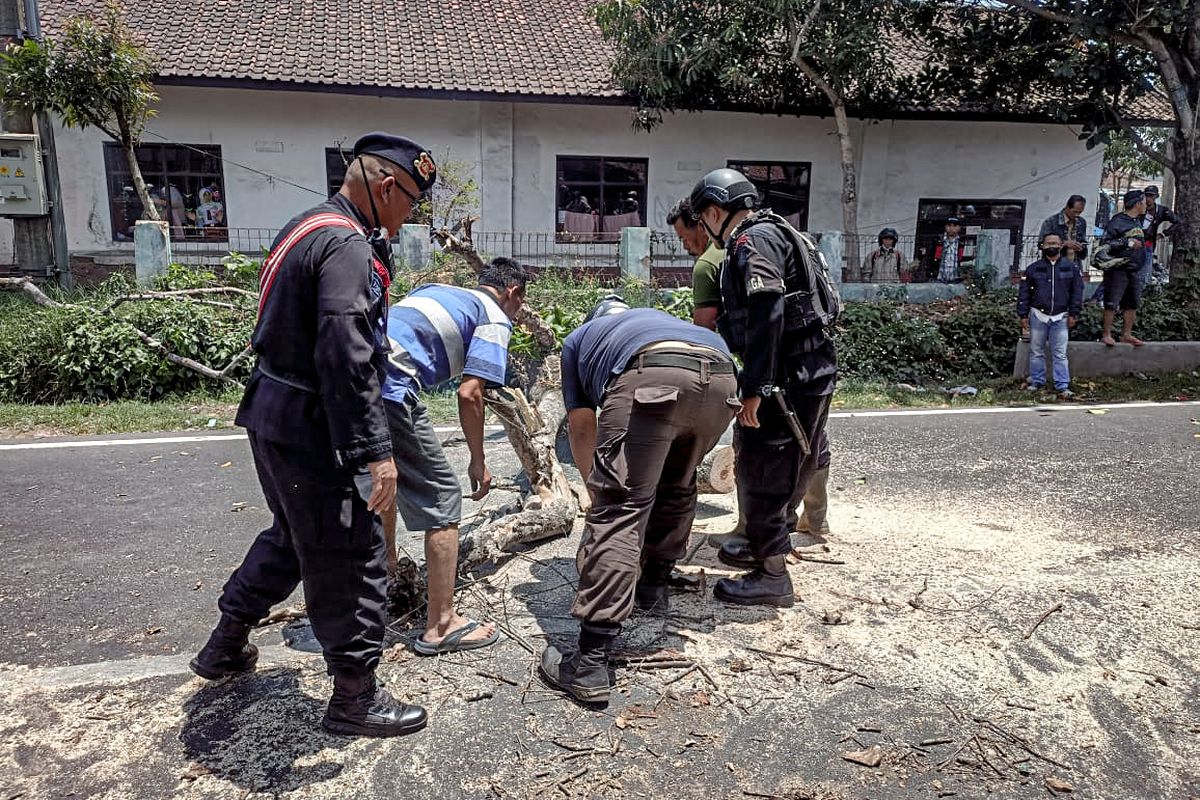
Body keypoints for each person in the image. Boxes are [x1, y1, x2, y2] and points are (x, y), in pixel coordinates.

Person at [190, 132, 437, 738]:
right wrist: (374, 452)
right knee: (352, 556)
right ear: (385, 188)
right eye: (409, 204)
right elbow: (347, 354)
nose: (408, 220)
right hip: (314, 426)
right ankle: (355, 700)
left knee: (295, 537)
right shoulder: (346, 245)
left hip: (273, 412)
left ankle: (225, 643)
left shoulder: (308, 224)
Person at [537, 298, 739, 704]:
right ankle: (653, 585)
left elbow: (580, 427)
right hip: (722, 378)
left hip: (652, 376)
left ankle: (591, 662)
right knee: (678, 485)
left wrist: (600, 492)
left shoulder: (578, 340)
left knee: (623, 508)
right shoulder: (661, 321)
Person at [689, 168, 840, 607]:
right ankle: (764, 545)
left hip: (786, 377)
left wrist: (757, 384)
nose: (705, 229)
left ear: (715, 212)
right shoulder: (777, 231)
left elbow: (768, 308)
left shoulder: (751, 242)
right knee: (795, 458)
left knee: (763, 466)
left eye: (703, 221)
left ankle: (771, 574)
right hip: (806, 369)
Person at [379, 258, 529, 655]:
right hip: (391, 388)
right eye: (519, 304)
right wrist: (478, 460)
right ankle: (442, 625)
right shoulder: (496, 317)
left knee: (384, 478)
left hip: (350, 380)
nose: (517, 313)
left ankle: (386, 570)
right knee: (444, 496)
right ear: (512, 293)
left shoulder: (437, 292)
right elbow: (470, 393)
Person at [1018, 233, 1084, 399]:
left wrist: (1074, 313)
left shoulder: (1071, 268)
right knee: (1036, 351)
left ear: (1061, 245)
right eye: (1048, 243)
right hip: (1038, 315)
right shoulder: (1033, 269)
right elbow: (1024, 293)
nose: (1051, 246)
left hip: (1061, 316)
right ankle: (1037, 382)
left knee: (1060, 353)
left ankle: (1062, 385)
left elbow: (1077, 292)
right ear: (1043, 246)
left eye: (1055, 243)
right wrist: (1023, 314)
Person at [1098, 190, 1148, 347]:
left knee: (1132, 303)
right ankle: (1106, 334)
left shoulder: (1137, 222)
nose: (1146, 205)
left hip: (1134, 269)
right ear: (1138, 204)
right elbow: (1105, 244)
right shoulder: (1117, 221)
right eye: (1144, 202)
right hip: (1118, 269)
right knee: (1112, 302)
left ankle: (1126, 334)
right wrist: (1127, 243)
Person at [667, 197, 723, 330]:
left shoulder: (705, 265)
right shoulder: (735, 245)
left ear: (701, 227)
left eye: (684, 238)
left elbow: (703, 333)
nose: (685, 246)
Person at [1139, 185, 1177, 287]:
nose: (1148, 199)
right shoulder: (1138, 207)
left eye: (1151, 196)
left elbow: (1177, 222)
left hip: (1147, 245)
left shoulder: (1161, 211)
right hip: (1132, 245)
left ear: (1156, 197)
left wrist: (1164, 234)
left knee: (1145, 273)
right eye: (1146, 196)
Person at [1038, 195, 1089, 267]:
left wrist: (1081, 246)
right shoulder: (1051, 222)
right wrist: (1064, 243)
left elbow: (1083, 241)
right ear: (1067, 207)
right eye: (1074, 212)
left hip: (1075, 265)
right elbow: (1041, 244)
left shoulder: (1082, 222)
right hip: (1055, 265)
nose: (1077, 215)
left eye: (1080, 212)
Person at [922, 217, 972, 283]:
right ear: (945, 227)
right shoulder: (938, 241)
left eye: (955, 226)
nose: (951, 228)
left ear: (959, 228)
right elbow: (930, 258)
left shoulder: (962, 242)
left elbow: (965, 259)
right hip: (938, 278)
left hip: (957, 279)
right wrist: (931, 273)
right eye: (949, 225)